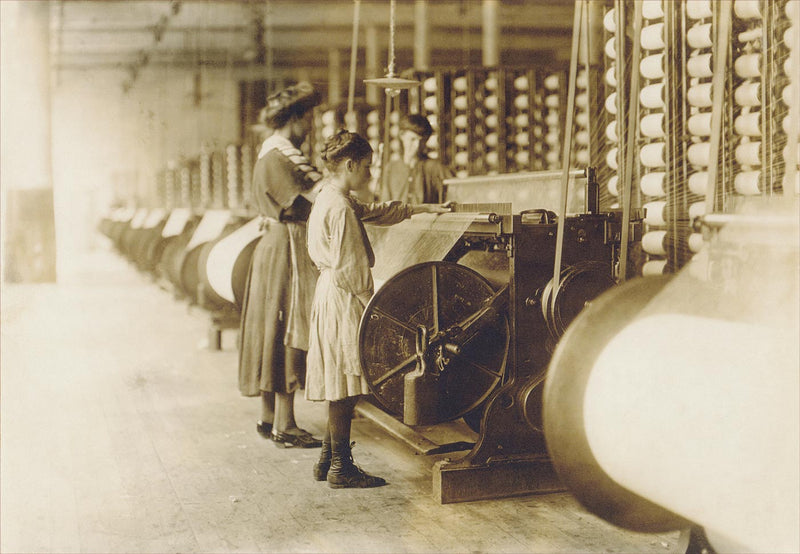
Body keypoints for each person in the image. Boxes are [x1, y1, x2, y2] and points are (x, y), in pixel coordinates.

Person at [305, 129, 451, 488]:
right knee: (346, 383)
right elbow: (354, 271)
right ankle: (342, 468)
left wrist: (421, 209)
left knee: (341, 380)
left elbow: (373, 211)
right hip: (344, 296)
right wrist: (381, 309)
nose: (370, 175)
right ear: (351, 164)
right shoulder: (339, 207)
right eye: (367, 167)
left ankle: (328, 458)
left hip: (331, 293)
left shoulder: (328, 195)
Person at [238, 82, 323, 448]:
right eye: (308, 119)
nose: (311, 128)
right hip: (286, 246)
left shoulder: (268, 153)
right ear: (296, 119)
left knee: (269, 326)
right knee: (290, 326)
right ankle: (286, 426)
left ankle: (269, 416)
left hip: (272, 246)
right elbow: (315, 200)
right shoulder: (282, 156)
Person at [378, 113, 453, 204]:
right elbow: (384, 206)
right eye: (412, 139)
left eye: (422, 141)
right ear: (402, 135)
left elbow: (455, 193)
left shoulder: (435, 168)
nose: (417, 146)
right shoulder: (391, 168)